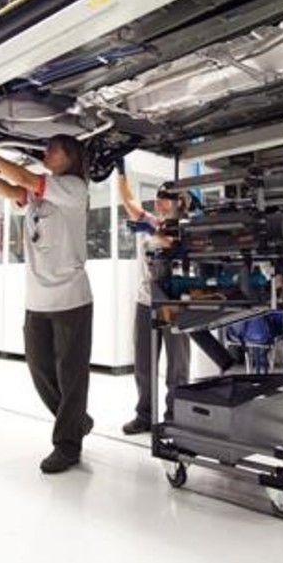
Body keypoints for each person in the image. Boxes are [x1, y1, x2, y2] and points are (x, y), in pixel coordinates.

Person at [0, 133, 94, 474]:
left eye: (53, 148)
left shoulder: (74, 189)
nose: (45, 151)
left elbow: (24, 178)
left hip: (71, 299)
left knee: (71, 376)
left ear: (70, 156)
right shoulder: (43, 193)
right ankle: (76, 420)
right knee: (39, 369)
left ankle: (67, 446)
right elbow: (13, 191)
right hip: (37, 299)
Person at [117, 162, 191, 435]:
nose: (159, 203)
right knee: (143, 362)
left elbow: (172, 244)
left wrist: (152, 233)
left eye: (166, 199)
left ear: (180, 203)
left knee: (177, 365)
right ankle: (145, 415)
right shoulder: (152, 222)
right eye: (158, 198)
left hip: (174, 303)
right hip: (146, 301)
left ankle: (175, 416)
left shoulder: (185, 227)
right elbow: (129, 201)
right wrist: (121, 173)